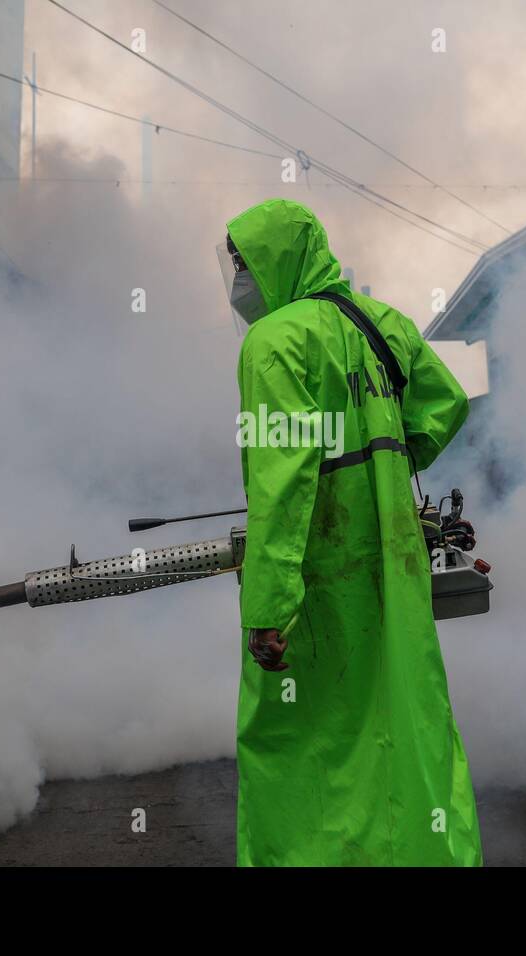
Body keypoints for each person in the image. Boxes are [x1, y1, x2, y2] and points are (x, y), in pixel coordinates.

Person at [222, 198, 482, 866]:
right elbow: (446, 403)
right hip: (391, 569)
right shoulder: (383, 324)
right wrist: (390, 473)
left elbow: (282, 486)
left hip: (320, 582)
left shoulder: (275, 340)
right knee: (402, 721)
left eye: (243, 263)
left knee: (302, 742)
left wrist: (269, 608)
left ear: (277, 260)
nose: (238, 281)